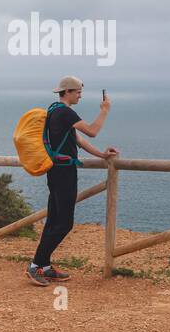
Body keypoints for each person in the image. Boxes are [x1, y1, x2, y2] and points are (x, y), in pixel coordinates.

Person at [27, 75, 119, 286]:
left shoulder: (53, 110)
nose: (80, 96)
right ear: (67, 91)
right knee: (65, 223)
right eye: (78, 92)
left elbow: (78, 140)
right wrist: (105, 110)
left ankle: (45, 267)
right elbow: (93, 131)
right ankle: (36, 266)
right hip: (64, 172)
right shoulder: (65, 112)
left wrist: (102, 156)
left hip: (56, 170)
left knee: (53, 220)